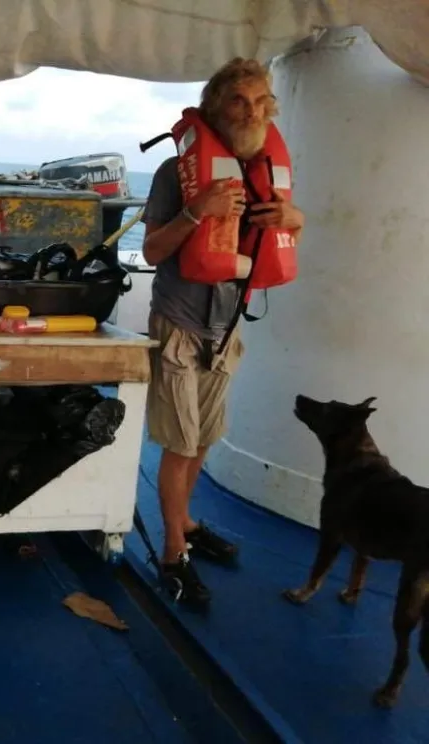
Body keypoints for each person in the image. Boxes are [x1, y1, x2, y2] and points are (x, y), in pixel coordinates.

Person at [140, 58, 305, 605]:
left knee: (205, 436)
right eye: (239, 100)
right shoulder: (175, 173)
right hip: (181, 325)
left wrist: (292, 220)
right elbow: (152, 250)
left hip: (226, 326)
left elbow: (292, 230)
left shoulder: (269, 176)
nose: (251, 111)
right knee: (179, 441)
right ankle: (170, 552)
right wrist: (197, 210)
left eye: (261, 102)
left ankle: (185, 521)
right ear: (216, 107)